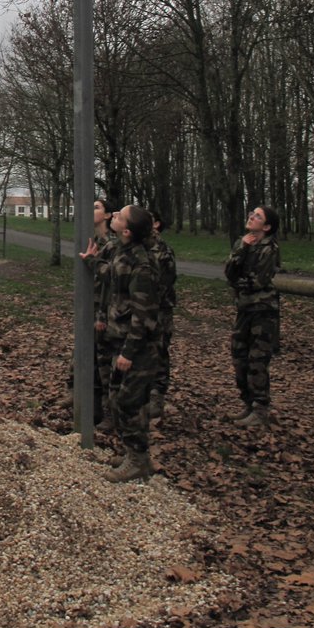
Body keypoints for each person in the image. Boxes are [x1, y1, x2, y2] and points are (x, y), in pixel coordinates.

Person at [102, 205, 160, 483]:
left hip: (138, 348)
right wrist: (92, 262)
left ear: (127, 230)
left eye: (120, 216)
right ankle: (131, 453)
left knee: (130, 402)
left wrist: (129, 352)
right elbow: (113, 277)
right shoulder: (121, 251)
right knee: (117, 399)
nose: (113, 215)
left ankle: (139, 460)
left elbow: (144, 314)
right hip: (120, 340)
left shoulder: (142, 264)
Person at [225, 205, 281, 430]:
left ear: (266, 227)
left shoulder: (270, 248)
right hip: (244, 309)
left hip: (262, 311)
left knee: (257, 360)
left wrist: (237, 281)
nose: (251, 216)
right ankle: (248, 404)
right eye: (252, 213)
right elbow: (229, 272)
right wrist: (242, 249)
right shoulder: (244, 242)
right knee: (239, 356)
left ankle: (260, 409)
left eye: (258, 216)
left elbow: (257, 281)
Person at [78, 198, 118, 432]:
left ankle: (109, 413)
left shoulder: (111, 244)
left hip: (106, 311)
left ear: (107, 215)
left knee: (105, 365)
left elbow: (111, 281)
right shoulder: (90, 239)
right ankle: (89, 407)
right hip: (92, 308)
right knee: (89, 359)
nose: (90, 211)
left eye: (96, 207)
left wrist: (103, 314)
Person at [148, 212, 177, 421]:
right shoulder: (139, 247)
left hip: (159, 311)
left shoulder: (163, 251)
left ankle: (157, 398)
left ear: (156, 224)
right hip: (142, 310)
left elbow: (163, 284)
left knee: (158, 352)